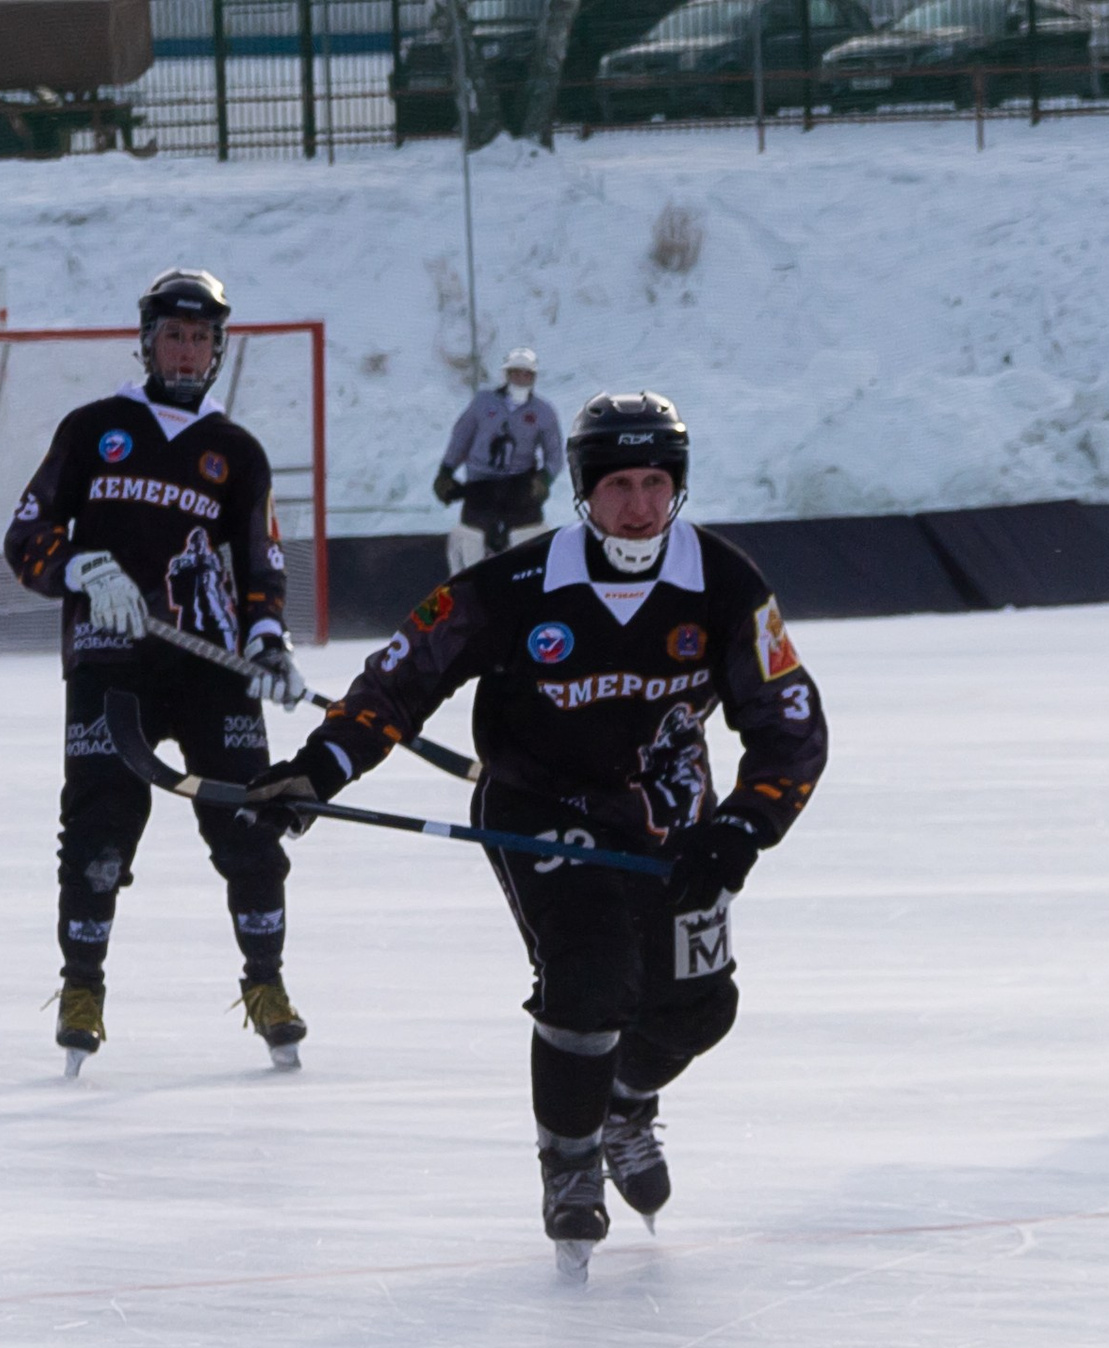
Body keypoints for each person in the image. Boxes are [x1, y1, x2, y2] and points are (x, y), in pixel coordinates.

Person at [246, 393, 827, 1277]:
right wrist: (322, 768)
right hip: (539, 807)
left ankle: (625, 1106)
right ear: (583, 491)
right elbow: (405, 675)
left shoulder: (724, 582)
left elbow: (788, 717)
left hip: (672, 818)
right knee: (589, 972)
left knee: (700, 1008)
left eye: (655, 484)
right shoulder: (518, 584)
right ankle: (569, 1165)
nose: (637, 505)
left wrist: (747, 824)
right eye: (618, 485)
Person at [2, 266, 310, 1078]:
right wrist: (81, 571)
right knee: (99, 832)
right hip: (112, 664)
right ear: (146, 342)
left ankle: (267, 984)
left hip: (211, 670)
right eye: (172, 334)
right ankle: (81, 988)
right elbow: (27, 534)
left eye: (199, 337)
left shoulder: (235, 452)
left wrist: (269, 640)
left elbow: (261, 561)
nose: (184, 349)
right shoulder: (94, 427)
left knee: (250, 825)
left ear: (216, 350)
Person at [435, 347, 564, 575]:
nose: (520, 379)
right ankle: (469, 584)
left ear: (533, 378)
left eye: (526, 374)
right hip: (481, 484)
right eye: (515, 373)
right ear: (507, 374)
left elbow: (554, 454)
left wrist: (544, 479)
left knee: (528, 543)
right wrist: (446, 471)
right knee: (473, 540)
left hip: (520, 486)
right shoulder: (483, 403)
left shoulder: (543, 412)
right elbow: (461, 437)